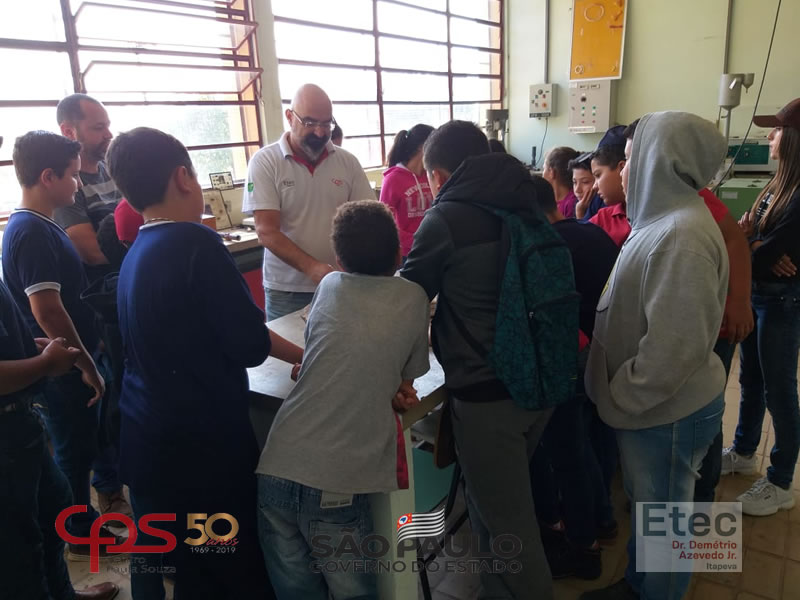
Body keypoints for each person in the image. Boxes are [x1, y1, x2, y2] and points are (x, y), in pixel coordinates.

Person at [108, 126, 303, 599]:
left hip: (145, 436)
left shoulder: (136, 252)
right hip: (200, 449)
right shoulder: (195, 244)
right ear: (183, 178)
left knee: (166, 558)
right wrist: (309, 355)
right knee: (222, 562)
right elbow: (248, 342)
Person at [402, 121, 563, 599]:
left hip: (487, 397)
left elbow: (406, 298)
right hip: (539, 381)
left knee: (510, 526)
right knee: (492, 512)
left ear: (438, 176)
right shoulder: (522, 198)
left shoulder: (446, 217)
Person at [582, 112, 730, 600]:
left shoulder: (682, 237)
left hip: (664, 410)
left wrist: (620, 397)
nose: (623, 170)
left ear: (658, 161)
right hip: (652, 409)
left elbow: (672, 351)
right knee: (653, 512)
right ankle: (637, 585)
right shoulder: (664, 222)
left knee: (667, 524)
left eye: (629, 159)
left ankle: (656, 591)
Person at [256, 200, 430, 599]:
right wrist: (395, 385)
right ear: (398, 253)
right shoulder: (413, 297)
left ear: (338, 259)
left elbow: (324, 350)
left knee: (295, 593)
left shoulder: (329, 285)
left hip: (276, 467)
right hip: (337, 483)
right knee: (353, 592)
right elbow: (407, 378)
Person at [0, 135, 119, 600]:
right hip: (57, 369)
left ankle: (75, 541)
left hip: (55, 363)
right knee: (72, 452)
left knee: (73, 459)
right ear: (47, 177)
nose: (78, 183)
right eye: (71, 175)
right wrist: (85, 362)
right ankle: (80, 537)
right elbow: (47, 309)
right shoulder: (30, 232)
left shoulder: (41, 226)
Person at [529, 182, 620, 580]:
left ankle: (583, 541)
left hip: (573, 356)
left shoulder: (550, 247)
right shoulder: (590, 231)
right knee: (589, 442)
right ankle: (603, 519)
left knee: (567, 451)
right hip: (604, 350)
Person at [721, 98, 800, 516]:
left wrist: (753, 245)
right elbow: (751, 238)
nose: (769, 136)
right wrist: (753, 244)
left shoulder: (798, 195)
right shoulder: (775, 188)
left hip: (783, 302)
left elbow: (765, 248)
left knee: (779, 390)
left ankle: (781, 481)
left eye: (777, 130)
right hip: (759, 295)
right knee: (750, 379)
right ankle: (744, 451)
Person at [243, 84, 374, 321]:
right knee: (290, 345)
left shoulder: (347, 162)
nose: (320, 133)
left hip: (342, 283)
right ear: (289, 117)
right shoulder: (265, 162)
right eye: (310, 123)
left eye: (326, 124)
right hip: (287, 291)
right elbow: (266, 231)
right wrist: (312, 267)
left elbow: (368, 218)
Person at [54, 94, 123, 281]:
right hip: (106, 289)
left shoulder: (113, 168)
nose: (109, 134)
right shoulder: (65, 185)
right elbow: (93, 254)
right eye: (99, 128)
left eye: (108, 126)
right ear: (69, 132)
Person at [379, 123, 435, 261]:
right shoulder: (393, 179)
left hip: (433, 246)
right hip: (406, 253)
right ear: (422, 146)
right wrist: (414, 240)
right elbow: (384, 221)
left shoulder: (432, 175)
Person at [542, 146, 580, 218]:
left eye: (544, 168)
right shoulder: (550, 201)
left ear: (551, 172)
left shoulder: (571, 203)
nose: (542, 174)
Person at [570, 152, 604, 221]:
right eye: (574, 182)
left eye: (585, 182)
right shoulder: (578, 202)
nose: (577, 190)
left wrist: (580, 214)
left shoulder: (602, 203)